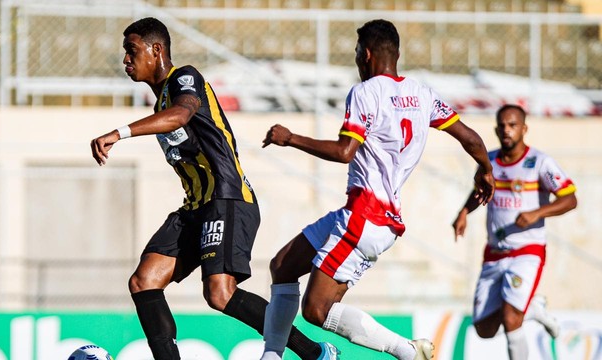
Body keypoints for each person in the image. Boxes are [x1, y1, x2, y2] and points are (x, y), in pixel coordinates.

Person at [90, 17, 338, 360]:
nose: (126, 61)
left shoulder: (184, 78)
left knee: (220, 293)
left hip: (228, 197)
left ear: (156, 50)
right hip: (196, 207)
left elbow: (182, 114)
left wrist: (119, 133)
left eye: (131, 51)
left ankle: (313, 352)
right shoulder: (158, 104)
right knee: (144, 281)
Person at [259, 19, 495, 360]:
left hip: (364, 216)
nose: (356, 60)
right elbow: (471, 138)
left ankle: (407, 351)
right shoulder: (422, 93)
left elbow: (344, 152)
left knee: (317, 310)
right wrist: (486, 171)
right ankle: (272, 356)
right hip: (371, 215)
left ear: (366, 54)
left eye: (357, 52)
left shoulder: (365, 92)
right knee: (283, 265)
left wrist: (290, 138)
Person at [452, 104, 577, 360]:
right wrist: (464, 212)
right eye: (502, 126)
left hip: (526, 251)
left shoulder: (540, 163)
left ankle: (521, 312)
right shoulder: (491, 162)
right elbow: (480, 192)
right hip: (495, 253)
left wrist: (537, 213)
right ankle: (532, 309)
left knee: (510, 319)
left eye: (512, 125)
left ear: (524, 128)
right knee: (484, 329)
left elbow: (570, 198)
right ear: (496, 129)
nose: (506, 130)